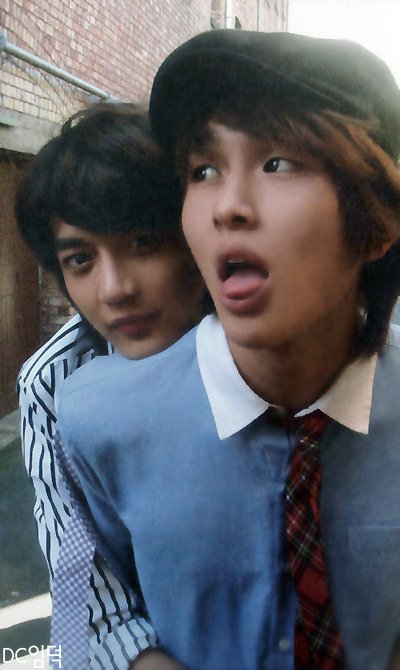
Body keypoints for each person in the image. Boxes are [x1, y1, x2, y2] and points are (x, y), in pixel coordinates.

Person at [56, 30, 400, 670]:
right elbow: (79, 621)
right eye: (204, 171)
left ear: (377, 223)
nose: (228, 207)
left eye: (280, 163)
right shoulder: (92, 420)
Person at [15, 102, 206, 669]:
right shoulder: (54, 383)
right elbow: (78, 573)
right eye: (81, 259)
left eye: (144, 242)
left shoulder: (261, 347)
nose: (115, 289)